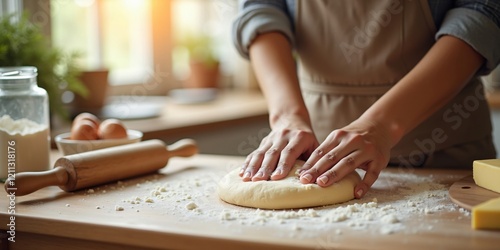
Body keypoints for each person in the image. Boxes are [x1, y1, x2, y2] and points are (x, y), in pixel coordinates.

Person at [232, 0, 500, 198]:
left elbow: (483, 13)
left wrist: (382, 124)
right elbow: (261, 9)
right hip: (320, 158)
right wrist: (286, 116)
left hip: (446, 154)